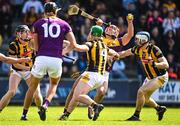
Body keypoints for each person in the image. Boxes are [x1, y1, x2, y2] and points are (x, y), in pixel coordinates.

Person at [60, 14, 134, 120]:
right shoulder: (100, 39)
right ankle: (65, 112)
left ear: (117, 33)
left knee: (102, 92)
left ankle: (92, 106)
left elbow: (130, 35)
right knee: (74, 92)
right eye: (111, 27)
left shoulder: (118, 42)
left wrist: (130, 21)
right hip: (93, 68)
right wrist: (97, 25)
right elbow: (90, 39)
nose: (112, 28)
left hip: (104, 72)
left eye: (115, 28)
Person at [21, 2, 77, 121]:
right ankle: (45, 104)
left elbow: (35, 47)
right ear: (56, 11)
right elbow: (73, 44)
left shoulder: (37, 23)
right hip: (56, 60)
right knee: (54, 84)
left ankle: (24, 114)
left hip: (41, 58)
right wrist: (62, 52)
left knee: (32, 87)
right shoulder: (64, 24)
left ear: (45, 11)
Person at [118, 31, 169, 121]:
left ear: (143, 40)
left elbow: (166, 65)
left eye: (137, 39)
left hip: (160, 76)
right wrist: (113, 55)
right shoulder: (138, 49)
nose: (136, 41)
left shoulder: (154, 49)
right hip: (150, 77)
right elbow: (125, 53)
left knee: (140, 92)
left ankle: (136, 116)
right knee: (145, 98)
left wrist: (154, 64)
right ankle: (159, 109)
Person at [0, 25, 41, 113]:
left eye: (28, 32)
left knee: (37, 94)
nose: (27, 34)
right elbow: (15, 64)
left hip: (30, 71)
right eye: (25, 32)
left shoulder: (32, 42)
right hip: (17, 70)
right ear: (19, 34)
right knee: (11, 92)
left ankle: (41, 110)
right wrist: (28, 68)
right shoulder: (13, 45)